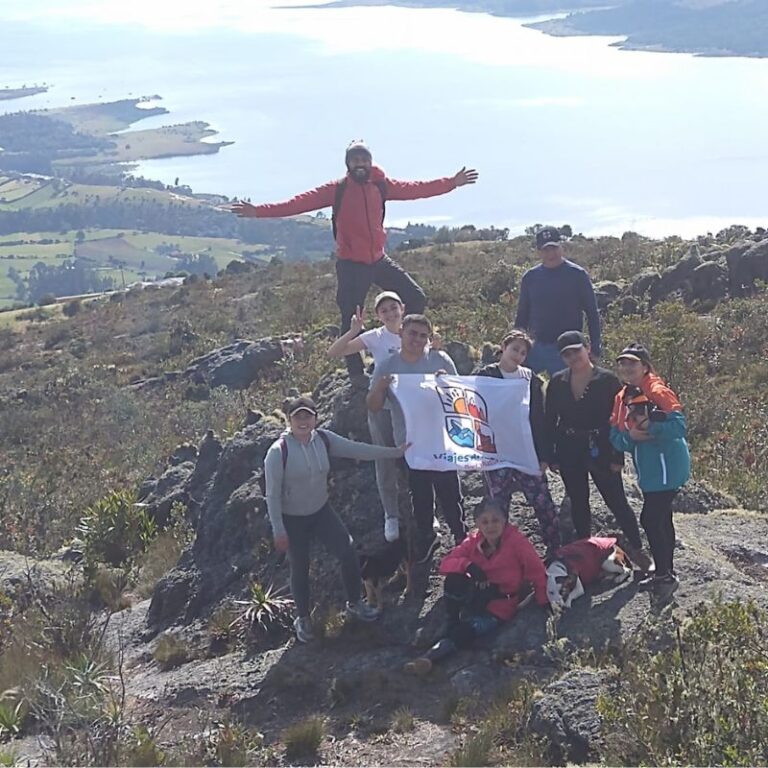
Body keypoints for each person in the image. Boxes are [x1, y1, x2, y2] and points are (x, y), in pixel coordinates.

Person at [232, 140, 478, 379]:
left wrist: (451, 183)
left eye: (364, 160)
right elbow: (298, 203)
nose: (360, 164)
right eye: (355, 160)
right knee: (351, 319)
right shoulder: (337, 189)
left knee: (416, 298)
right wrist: (258, 212)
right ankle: (356, 375)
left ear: (370, 162)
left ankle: (405, 345)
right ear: (348, 164)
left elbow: (416, 189)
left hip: (378, 260)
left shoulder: (381, 185)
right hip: (351, 264)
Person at [264, 396, 408, 643]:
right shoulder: (278, 452)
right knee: (300, 566)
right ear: (289, 419)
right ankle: (303, 619)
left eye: (307, 415)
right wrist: (279, 529)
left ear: (315, 418)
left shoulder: (324, 439)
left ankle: (355, 603)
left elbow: (357, 449)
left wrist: (394, 452)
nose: (303, 421)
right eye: (297, 416)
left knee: (347, 550)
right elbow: (272, 494)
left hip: (321, 511)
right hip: (293, 518)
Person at [403, 497, 549, 675]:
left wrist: (544, 602)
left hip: (499, 606)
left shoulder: (517, 543)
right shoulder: (473, 541)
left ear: (505, 520)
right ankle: (451, 622)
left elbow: (537, 572)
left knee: (466, 632)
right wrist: (468, 565)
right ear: (478, 523)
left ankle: (429, 658)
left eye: (495, 520)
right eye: (485, 521)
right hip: (476, 598)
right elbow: (446, 564)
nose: (490, 526)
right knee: (453, 580)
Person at [544, 331, 652, 571]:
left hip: (601, 446)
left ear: (588, 347)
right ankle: (587, 556)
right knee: (578, 502)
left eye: (576, 350)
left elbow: (619, 420)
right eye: (566, 354)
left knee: (617, 501)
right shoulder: (557, 382)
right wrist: (550, 455)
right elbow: (549, 419)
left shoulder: (608, 380)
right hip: (568, 447)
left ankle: (639, 551)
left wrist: (617, 456)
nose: (573, 357)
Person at [367, 314, 466, 561]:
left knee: (451, 493)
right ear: (401, 333)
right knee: (419, 495)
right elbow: (373, 405)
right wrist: (380, 387)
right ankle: (428, 540)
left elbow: (460, 401)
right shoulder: (387, 365)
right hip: (410, 444)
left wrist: (448, 385)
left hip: (441, 440)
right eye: (413, 333)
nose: (417, 340)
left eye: (423, 335)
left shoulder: (440, 360)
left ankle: (461, 538)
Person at [610, 343, 691, 601]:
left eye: (632, 362)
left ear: (645, 366)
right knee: (662, 517)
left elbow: (679, 426)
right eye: (622, 363)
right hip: (648, 470)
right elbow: (615, 435)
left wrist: (652, 430)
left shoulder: (657, 390)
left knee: (650, 518)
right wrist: (632, 437)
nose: (626, 367)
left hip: (668, 466)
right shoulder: (622, 396)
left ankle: (664, 574)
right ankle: (665, 571)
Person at [328, 290, 407, 542]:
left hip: (412, 408)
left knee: (416, 456)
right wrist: (353, 330)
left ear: (402, 308)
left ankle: (423, 509)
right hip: (383, 406)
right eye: (384, 310)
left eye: (394, 307)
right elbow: (334, 352)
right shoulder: (375, 337)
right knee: (384, 457)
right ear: (378, 315)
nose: (390, 313)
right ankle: (391, 515)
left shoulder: (414, 332)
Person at [474, 329, 561, 557]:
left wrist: (544, 456)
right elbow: (467, 401)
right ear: (503, 347)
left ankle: (555, 551)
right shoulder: (485, 374)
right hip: (497, 454)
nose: (518, 355)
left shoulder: (529, 379)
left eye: (523, 352)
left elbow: (539, 419)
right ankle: (499, 555)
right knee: (498, 507)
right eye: (515, 349)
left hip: (526, 451)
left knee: (543, 503)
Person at [514, 226, 602, 376]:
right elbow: (522, 314)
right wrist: (515, 344)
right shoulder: (530, 277)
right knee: (525, 391)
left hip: (567, 350)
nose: (551, 253)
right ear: (539, 251)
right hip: (535, 347)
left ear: (561, 247)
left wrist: (595, 347)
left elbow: (592, 313)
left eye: (554, 248)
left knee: (566, 394)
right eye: (546, 249)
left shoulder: (577, 275)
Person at [546, 536, 633, 609]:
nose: (558, 598)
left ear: (566, 578)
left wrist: (569, 599)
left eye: (561, 591)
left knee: (607, 565)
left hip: (607, 551)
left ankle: (625, 571)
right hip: (590, 553)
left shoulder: (571, 569)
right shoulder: (550, 572)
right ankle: (606, 573)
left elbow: (580, 590)